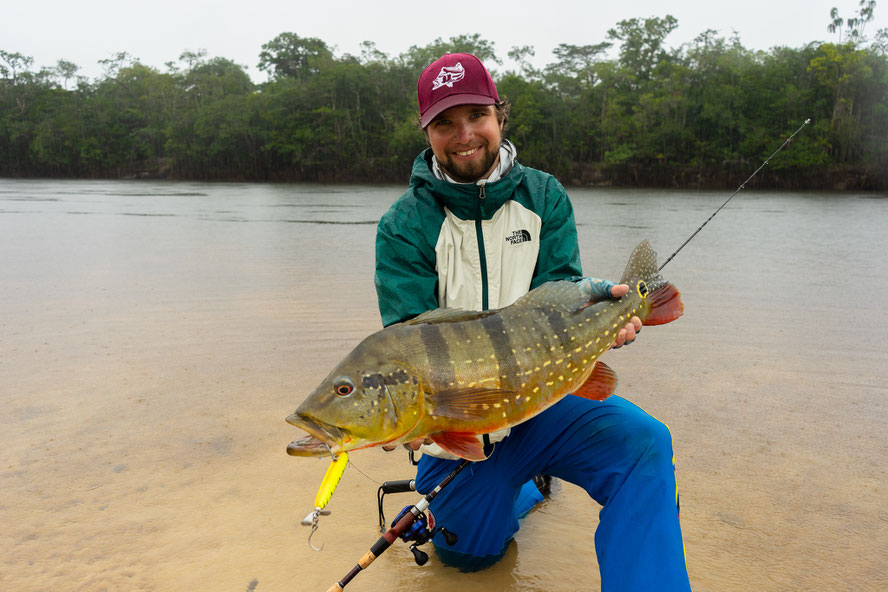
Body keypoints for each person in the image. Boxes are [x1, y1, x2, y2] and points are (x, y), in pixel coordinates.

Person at [374, 52, 691, 591]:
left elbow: (563, 299)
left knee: (646, 443)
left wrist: (606, 322)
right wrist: (400, 420)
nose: (464, 134)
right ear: (427, 131)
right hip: (465, 430)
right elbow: (408, 343)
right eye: (445, 122)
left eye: (476, 115)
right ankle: (525, 490)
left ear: (500, 115)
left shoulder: (543, 196)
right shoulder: (404, 224)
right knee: (469, 562)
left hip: (549, 398)